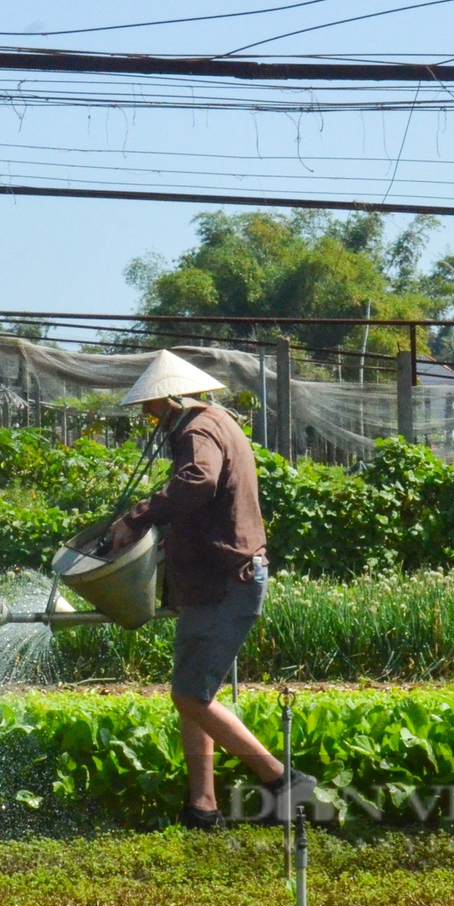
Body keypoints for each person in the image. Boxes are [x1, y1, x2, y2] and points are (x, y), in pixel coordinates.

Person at [105, 350, 315, 830]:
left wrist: (137, 518)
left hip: (226, 578)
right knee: (193, 692)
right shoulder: (217, 422)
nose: (147, 417)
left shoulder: (198, 430)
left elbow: (198, 480)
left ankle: (282, 780)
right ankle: (203, 805)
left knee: (191, 697)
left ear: (172, 400)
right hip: (211, 579)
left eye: (152, 407)